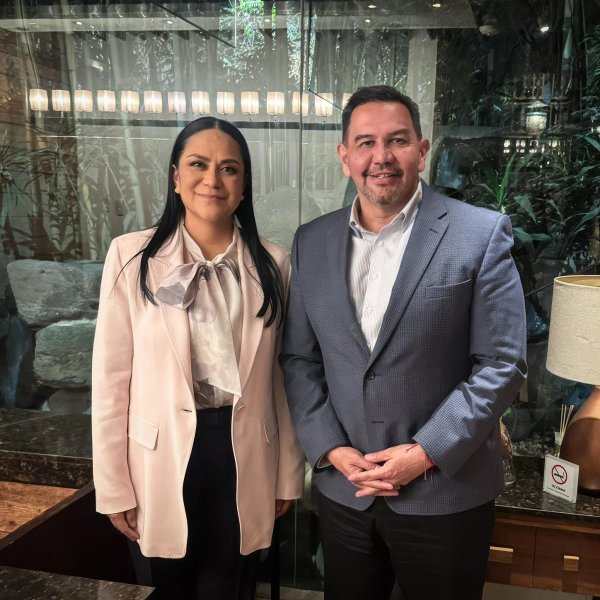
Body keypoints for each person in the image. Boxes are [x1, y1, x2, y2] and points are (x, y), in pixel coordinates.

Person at [280, 85, 527, 600]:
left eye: (397, 140)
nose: (382, 157)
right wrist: (331, 449)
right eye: (365, 142)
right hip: (346, 493)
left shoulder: (479, 234)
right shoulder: (311, 241)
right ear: (345, 156)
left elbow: (501, 364)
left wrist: (424, 453)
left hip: (445, 495)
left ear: (422, 149)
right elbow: (300, 358)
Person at [92, 116, 305, 600]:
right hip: (160, 456)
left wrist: (287, 475)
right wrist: (114, 487)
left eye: (229, 168)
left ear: (244, 186)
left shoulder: (275, 264)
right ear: (175, 177)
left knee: (233, 585)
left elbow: (284, 380)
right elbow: (110, 381)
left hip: (244, 453)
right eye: (198, 164)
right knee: (169, 586)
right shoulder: (131, 256)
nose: (213, 179)